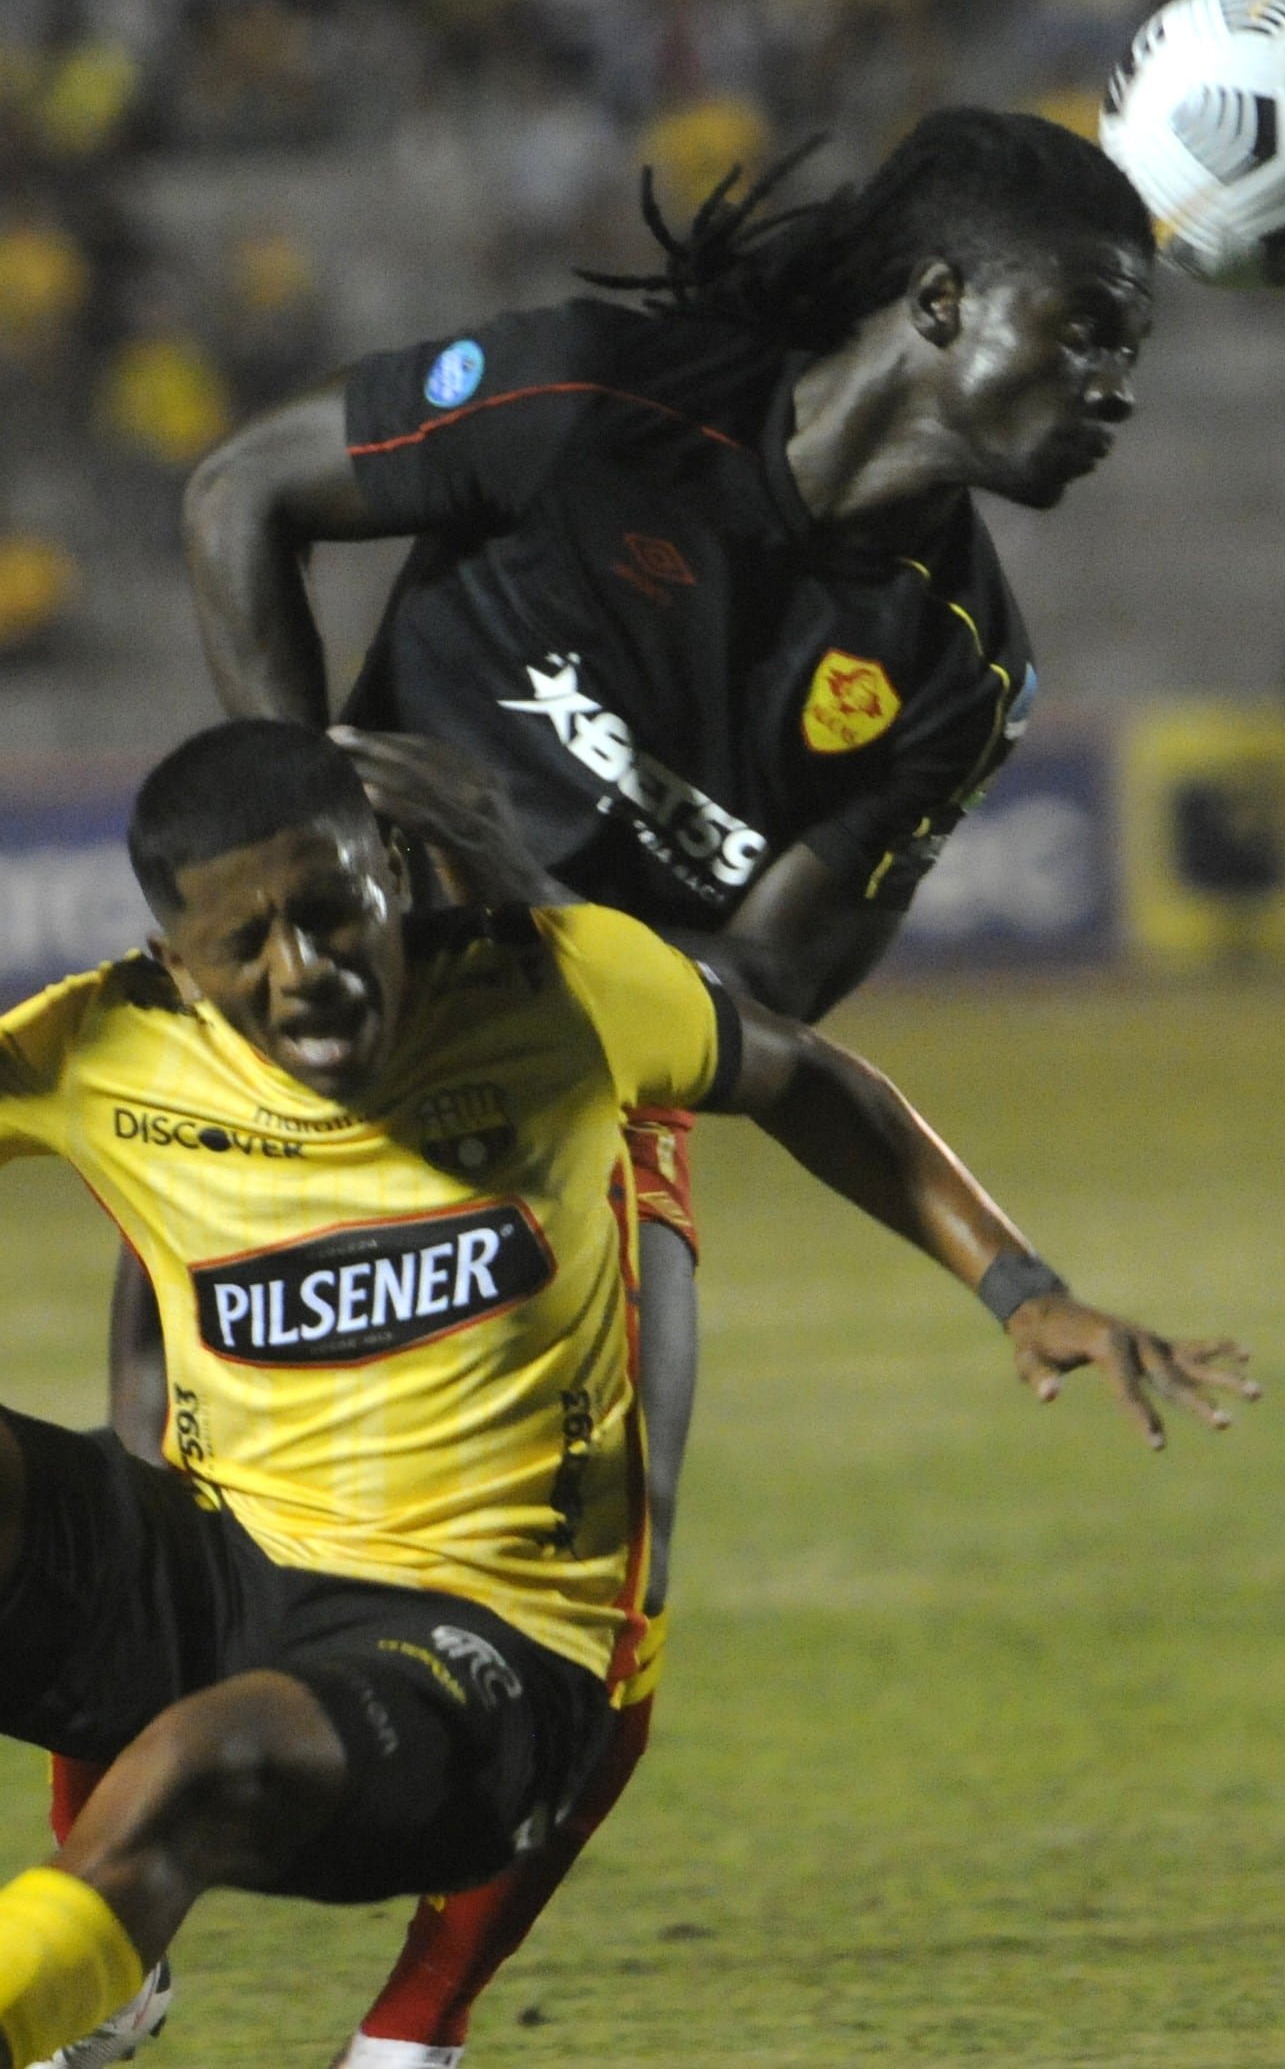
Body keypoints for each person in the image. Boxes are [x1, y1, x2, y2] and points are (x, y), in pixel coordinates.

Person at [0, 724, 1250, 2069]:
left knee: (186, 1762)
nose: (303, 968)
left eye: (331, 910)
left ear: (390, 873)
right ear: (173, 960)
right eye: (243, 943)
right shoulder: (110, 1043)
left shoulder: (565, 986)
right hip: (227, 1565)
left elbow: (808, 1082)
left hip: (483, 1657)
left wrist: (1020, 1286)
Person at [149, 104, 1151, 2067]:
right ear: (942, 301)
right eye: (1092, 329)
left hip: (584, 1087)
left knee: (613, 1581)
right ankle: (110, 1950)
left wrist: (527, 917)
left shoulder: (954, 665)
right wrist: (306, 834)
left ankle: (411, 2040)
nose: (1118, 390)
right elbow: (238, 491)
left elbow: (762, 998)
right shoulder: (598, 400)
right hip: (319, 1033)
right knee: (173, 1529)